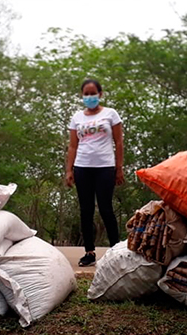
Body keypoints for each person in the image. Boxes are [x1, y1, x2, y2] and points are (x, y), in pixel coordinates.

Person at [65, 79, 125, 267]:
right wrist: (69, 169)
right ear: (82, 96)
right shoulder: (77, 117)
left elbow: (119, 142)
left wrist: (119, 167)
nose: (89, 97)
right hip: (82, 167)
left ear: (100, 94)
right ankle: (89, 252)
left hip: (105, 167)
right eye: (86, 94)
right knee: (86, 210)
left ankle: (115, 251)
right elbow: (73, 146)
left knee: (106, 208)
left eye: (93, 93)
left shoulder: (110, 114)